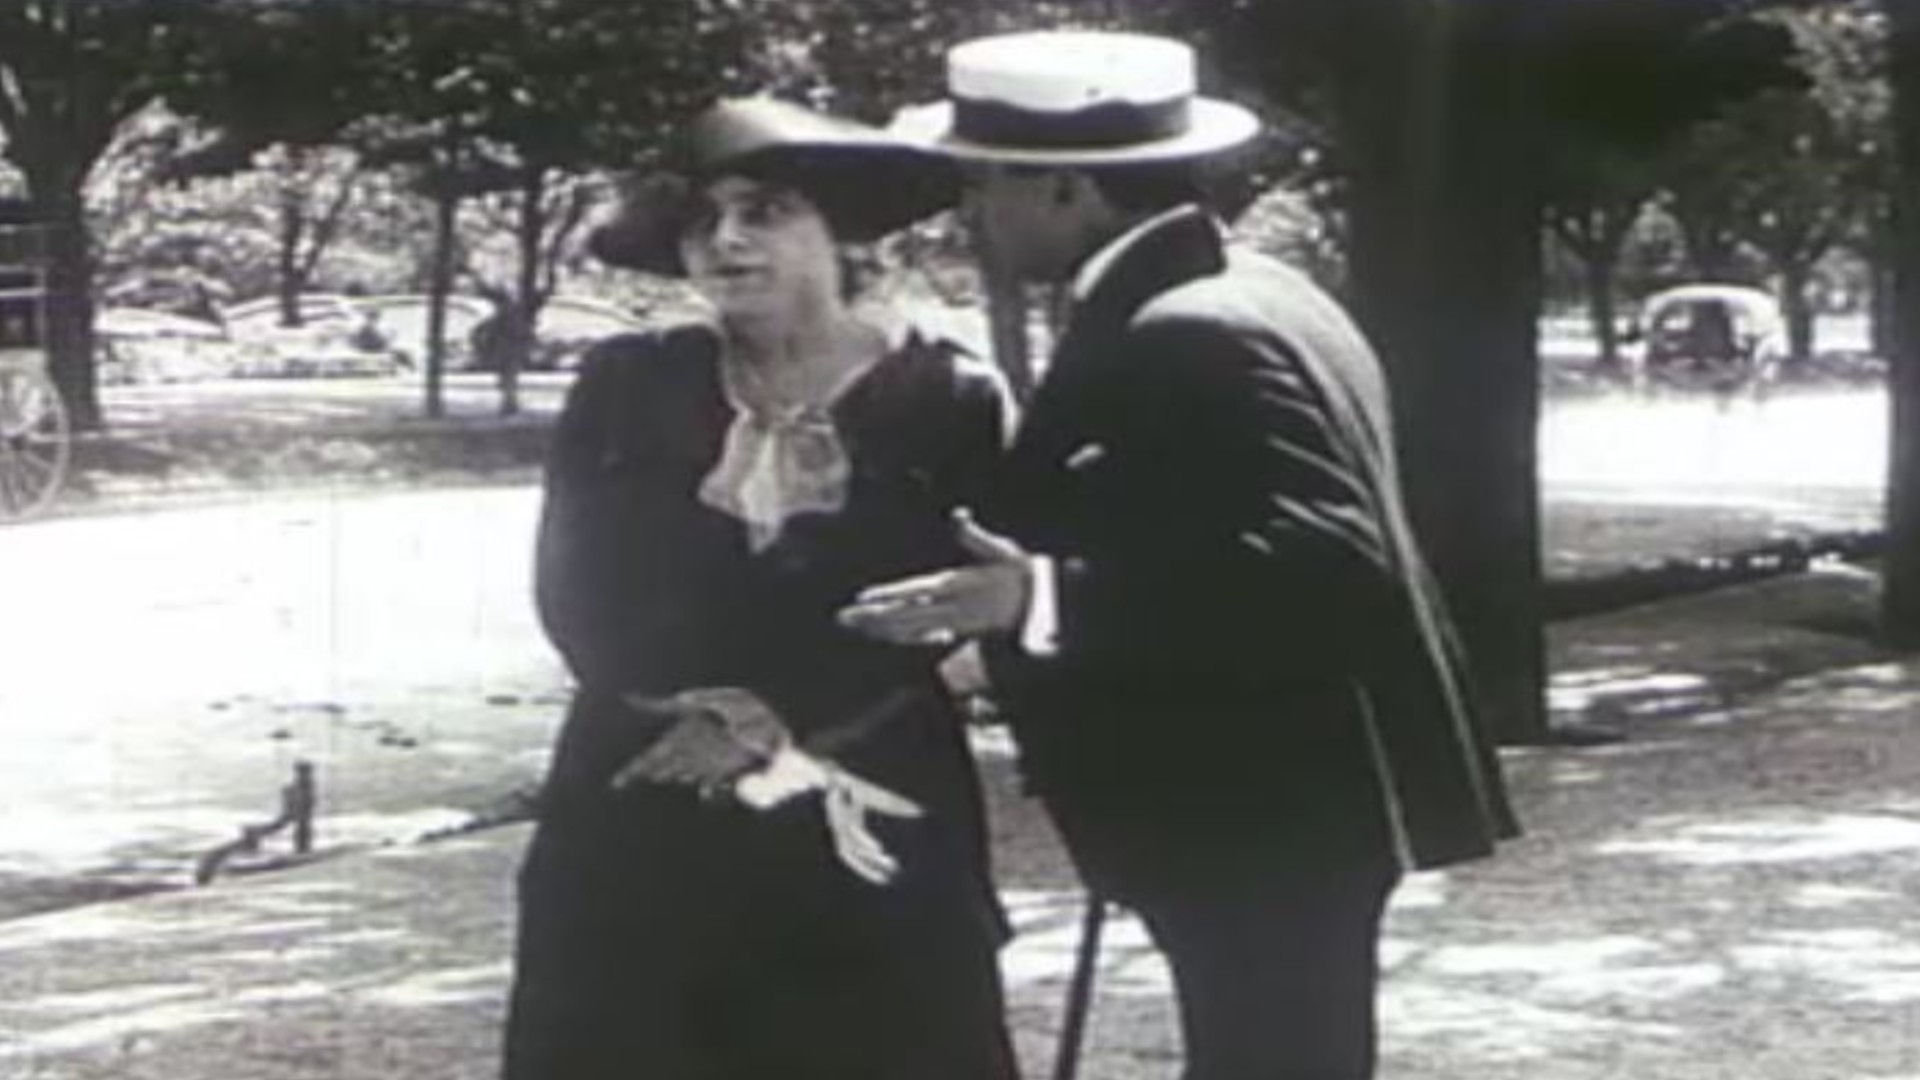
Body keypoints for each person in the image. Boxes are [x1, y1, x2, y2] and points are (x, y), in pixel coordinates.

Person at [840, 30, 1520, 1080]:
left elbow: (1329, 559)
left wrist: (1039, 598)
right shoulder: (1252, 288)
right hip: (1286, 791)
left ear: (1067, 187)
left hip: (1264, 801)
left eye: (982, 182)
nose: (968, 210)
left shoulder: (1189, 327)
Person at [502, 96, 1020, 1080]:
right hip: (649, 766)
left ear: (841, 232)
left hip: (861, 771)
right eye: (703, 221)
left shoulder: (945, 395)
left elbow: (934, 603)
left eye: (766, 212)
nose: (727, 241)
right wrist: (696, 707)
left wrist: (772, 722)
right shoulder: (631, 380)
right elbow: (577, 583)